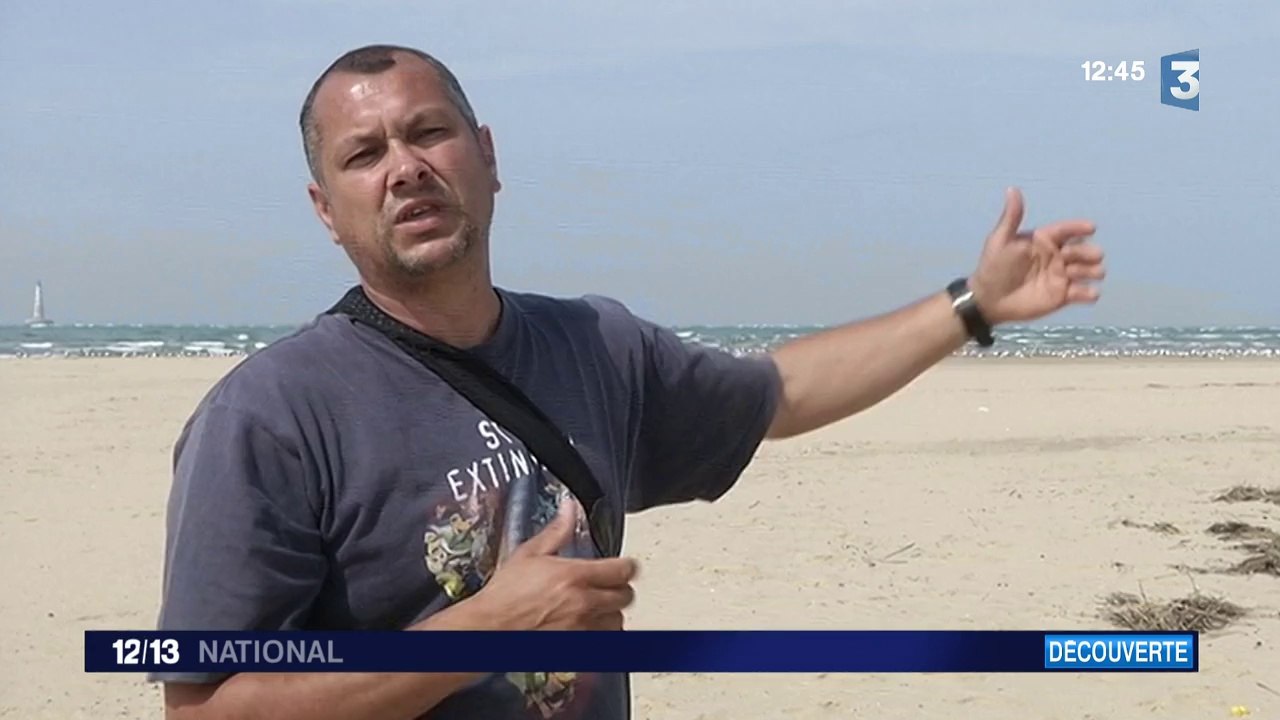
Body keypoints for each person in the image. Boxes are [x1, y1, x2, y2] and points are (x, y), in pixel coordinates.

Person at [152, 43, 1105, 720]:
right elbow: (208, 707)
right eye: (364, 155)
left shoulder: (592, 346)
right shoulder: (272, 415)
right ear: (327, 209)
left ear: (486, 157)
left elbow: (777, 394)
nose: (404, 169)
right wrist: (481, 631)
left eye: (428, 133)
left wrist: (970, 305)